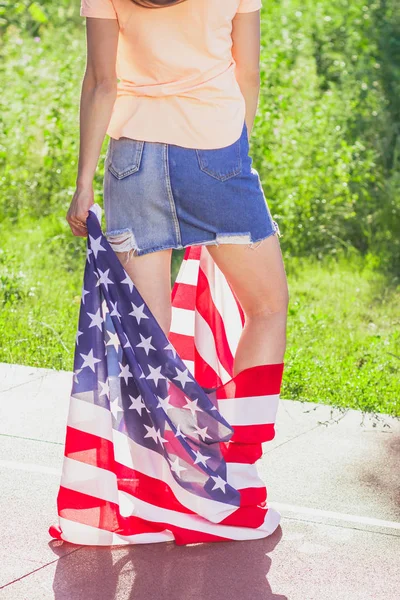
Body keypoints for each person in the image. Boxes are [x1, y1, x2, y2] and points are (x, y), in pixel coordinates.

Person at [66, 0, 289, 378]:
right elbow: (249, 73)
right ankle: (248, 439)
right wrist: (235, 151)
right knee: (267, 307)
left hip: (133, 160)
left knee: (146, 328)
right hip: (214, 147)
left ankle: (154, 438)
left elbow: (102, 83)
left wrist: (83, 183)